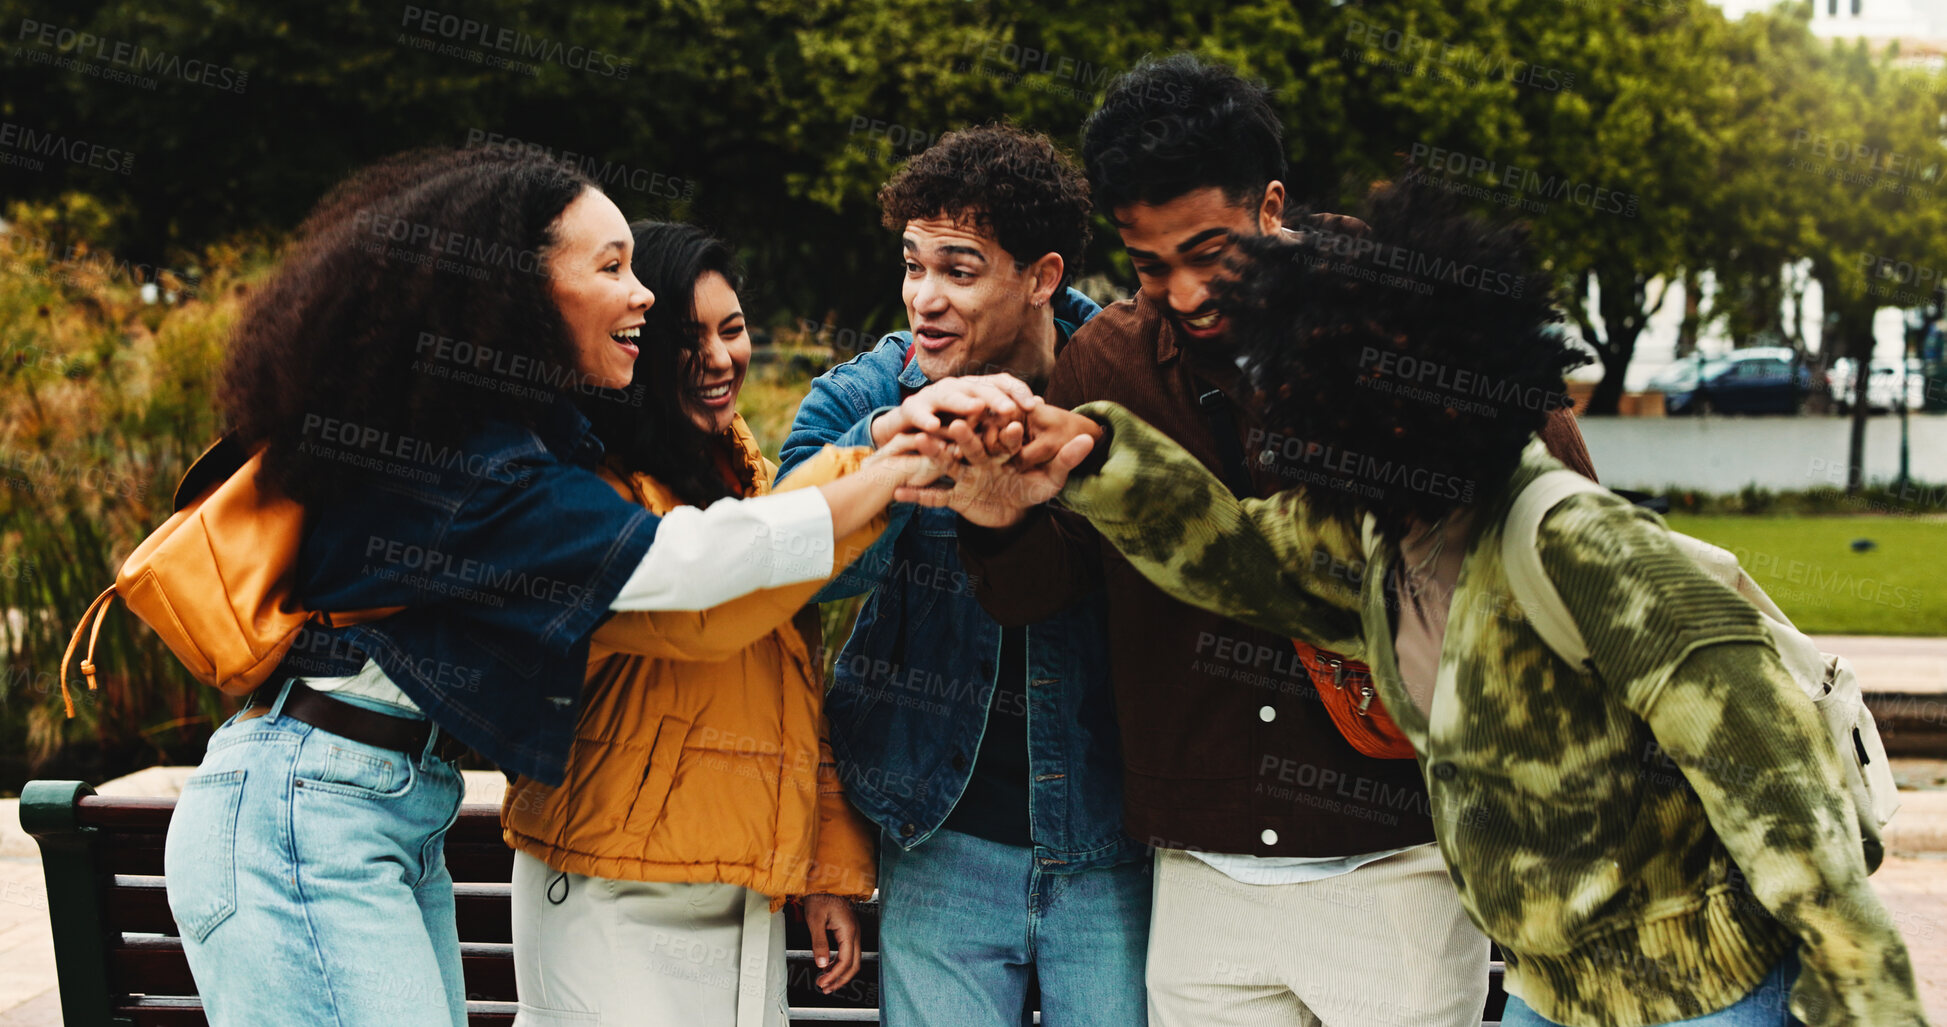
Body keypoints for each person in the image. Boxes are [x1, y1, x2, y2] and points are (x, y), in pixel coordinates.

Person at [925, 177, 1930, 1027]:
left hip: (1702, 994)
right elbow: (1241, 556)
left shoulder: (1578, 544)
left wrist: (1862, 1004)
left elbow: (1787, 806)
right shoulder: (1385, 533)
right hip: (1552, 988)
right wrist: (1090, 456)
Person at [163, 148, 949, 1027]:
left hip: (374, 807)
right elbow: (681, 571)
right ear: (519, 291)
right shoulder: (472, 468)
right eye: (610, 267)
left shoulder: (503, 438)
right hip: (307, 816)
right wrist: (884, 468)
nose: (641, 293)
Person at [947, 53, 1592, 1027]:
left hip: (1401, 862)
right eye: (1148, 265)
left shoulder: (1413, 316)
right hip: (1199, 877)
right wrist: (996, 517)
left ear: (1272, 205)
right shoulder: (1105, 362)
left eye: (1210, 253)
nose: (1183, 292)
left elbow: (1566, 523)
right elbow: (1046, 589)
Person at [779, 125, 1148, 1025]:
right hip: (934, 834)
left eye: (959, 269)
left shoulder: (1128, 378)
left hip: (1112, 842)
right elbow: (783, 568)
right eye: (913, 265)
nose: (925, 297)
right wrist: (889, 443)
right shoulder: (866, 395)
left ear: (1041, 276)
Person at [500, 222, 883, 1027]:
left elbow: (797, 697)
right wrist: (886, 459)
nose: (717, 358)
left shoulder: (755, 485)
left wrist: (827, 869)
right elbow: (698, 616)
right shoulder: (592, 494)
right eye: (685, 337)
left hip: (740, 892)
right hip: (610, 890)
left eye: (731, 329)